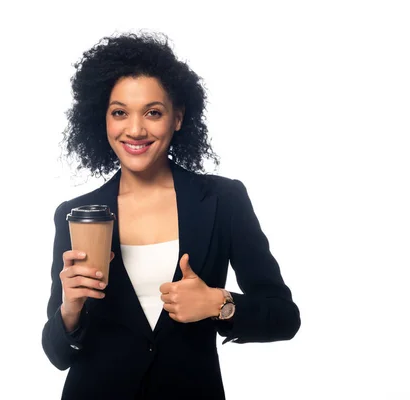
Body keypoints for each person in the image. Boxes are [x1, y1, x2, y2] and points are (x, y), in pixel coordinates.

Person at [41, 31, 301, 399]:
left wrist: (218, 303)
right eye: (119, 113)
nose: (134, 129)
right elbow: (57, 355)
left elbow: (284, 318)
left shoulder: (223, 200)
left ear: (177, 117)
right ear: (103, 119)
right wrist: (70, 307)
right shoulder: (75, 214)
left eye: (153, 112)